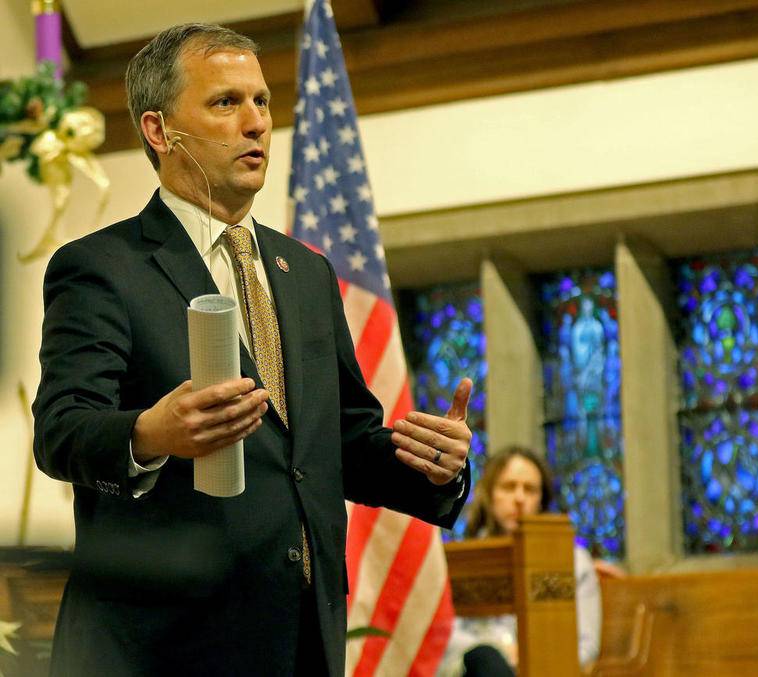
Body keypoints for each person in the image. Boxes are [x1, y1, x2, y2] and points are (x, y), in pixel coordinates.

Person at [32, 23, 472, 677]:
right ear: (159, 130)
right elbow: (62, 434)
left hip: (301, 637)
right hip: (164, 647)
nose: (256, 123)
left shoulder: (306, 272)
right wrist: (150, 433)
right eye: (225, 103)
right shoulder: (103, 267)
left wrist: (431, 467)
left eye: (262, 102)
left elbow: (339, 443)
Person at [439, 447, 601, 676]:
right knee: (485, 658)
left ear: (542, 499)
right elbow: (448, 632)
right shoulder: (468, 557)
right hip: (479, 667)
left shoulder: (573, 560)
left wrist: (533, 657)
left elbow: (587, 645)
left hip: (548, 668)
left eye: (530, 489)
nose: (519, 498)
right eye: (508, 487)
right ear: (490, 495)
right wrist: (499, 651)